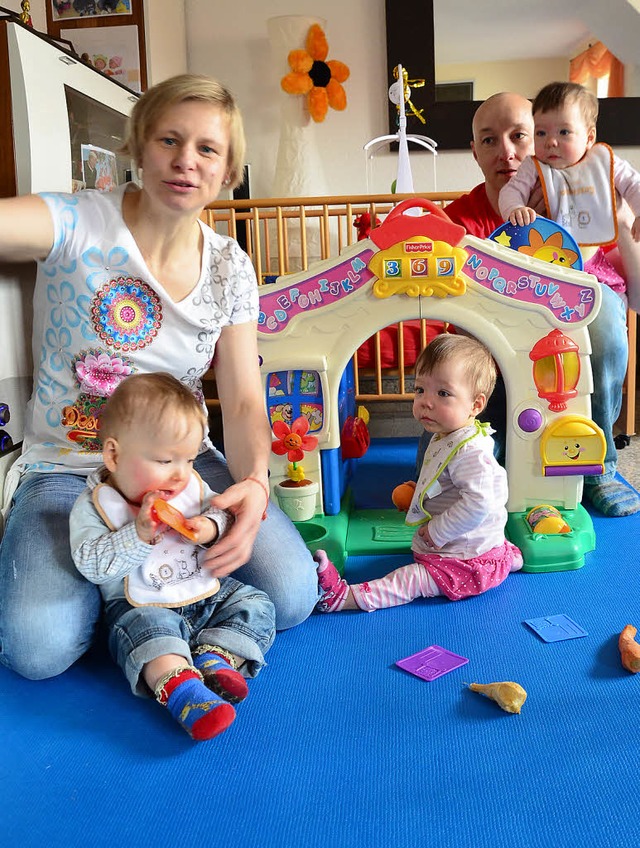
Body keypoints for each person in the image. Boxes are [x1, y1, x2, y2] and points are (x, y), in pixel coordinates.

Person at [0, 73, 318, 682]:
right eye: (169, 140)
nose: (184, 162)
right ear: (139, 147)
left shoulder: (230, 264)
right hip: (71, 468)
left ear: (228, 172)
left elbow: (247, 399)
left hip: (184, 472)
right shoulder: (74, 222)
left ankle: (133, 587)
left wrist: (254, 486)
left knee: (292, 593)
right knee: (37, 652)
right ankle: (131, 590)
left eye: (207, 149)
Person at [417, 91, 640, 518]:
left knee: (608, 317)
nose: (507, 152)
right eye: (488, 140)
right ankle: (458, 466)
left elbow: (620, 287)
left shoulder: (584, 199)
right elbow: (453, 307)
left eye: (520, 136)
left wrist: (625, 220)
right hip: (492, 364)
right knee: (447, 474)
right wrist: (512, 230)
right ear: (475, 153)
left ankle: (599, 465)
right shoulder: (458, 219)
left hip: (561, 363)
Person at [70, 373, 275, 741]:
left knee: (256, 602)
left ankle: (218, 659)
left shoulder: (187, 485)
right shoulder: (97, 506)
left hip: (206, 595)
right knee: (147, 635)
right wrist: (138, 534)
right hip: (143, 606)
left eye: (189, 460)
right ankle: (184, 693)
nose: (180, 475)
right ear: (114, 455)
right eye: (165, 460)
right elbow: (92, 565)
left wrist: (210, 528)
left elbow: (220, 513)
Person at [315, 335, 523, 613]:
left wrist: (437, 531)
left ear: (476, 405)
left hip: (463, 561)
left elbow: (479, 502)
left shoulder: (471, 452)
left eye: (443, 394)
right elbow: (449, 481)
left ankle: (346, 598)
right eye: (420, 390)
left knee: (410, 580)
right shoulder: (450, 434)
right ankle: (504, 558)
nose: (426, 402)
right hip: (472, 542)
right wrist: (422, 490)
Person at [499, 81, 640, 293]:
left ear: (589, 138)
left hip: (592, 265)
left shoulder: (602, 164)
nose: (550, 142)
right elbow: (511, 191)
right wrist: (515, 209)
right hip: (547, 269)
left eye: (564, 132)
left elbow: (632, 183)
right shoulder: (534, 167)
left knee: (610, 309)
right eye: (541, 133)